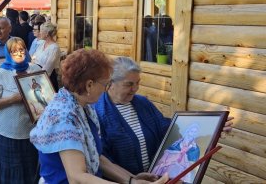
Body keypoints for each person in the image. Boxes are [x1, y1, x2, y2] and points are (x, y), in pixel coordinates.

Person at [30, 50, 169, 184]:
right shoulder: (65, 117)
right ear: (89, 85)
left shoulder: (82, 108)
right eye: (106, 83)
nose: (107, 89)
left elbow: (97, 157)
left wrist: (131, 179)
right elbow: (77, 178)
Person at [93, 57, 233, 177]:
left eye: (137, 83)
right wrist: (132, 180)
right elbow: (102, 160)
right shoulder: (97, 113)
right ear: (110, 83)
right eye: (129, 84)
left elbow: (170, 131)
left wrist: (213, 128)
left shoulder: (143, 103)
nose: (135, 89)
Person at [0, 37, 40, 184]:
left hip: (30, 132)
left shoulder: (35, 70)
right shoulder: (1, 73)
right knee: (10, 175)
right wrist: (12, 99)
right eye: (13, 51)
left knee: (30, 172)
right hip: (7, 133)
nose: (18, 53)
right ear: (8, 53)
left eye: (21, 49)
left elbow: (44, 95)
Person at [31, 22, 61, 90]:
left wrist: (36, 78)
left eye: (41, 31)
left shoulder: (54, 48)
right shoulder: (42, 43)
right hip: (36, 75)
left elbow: (47, 70)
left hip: (47, 79)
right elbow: (33, 58)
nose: (39, 33)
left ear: (47, 33)